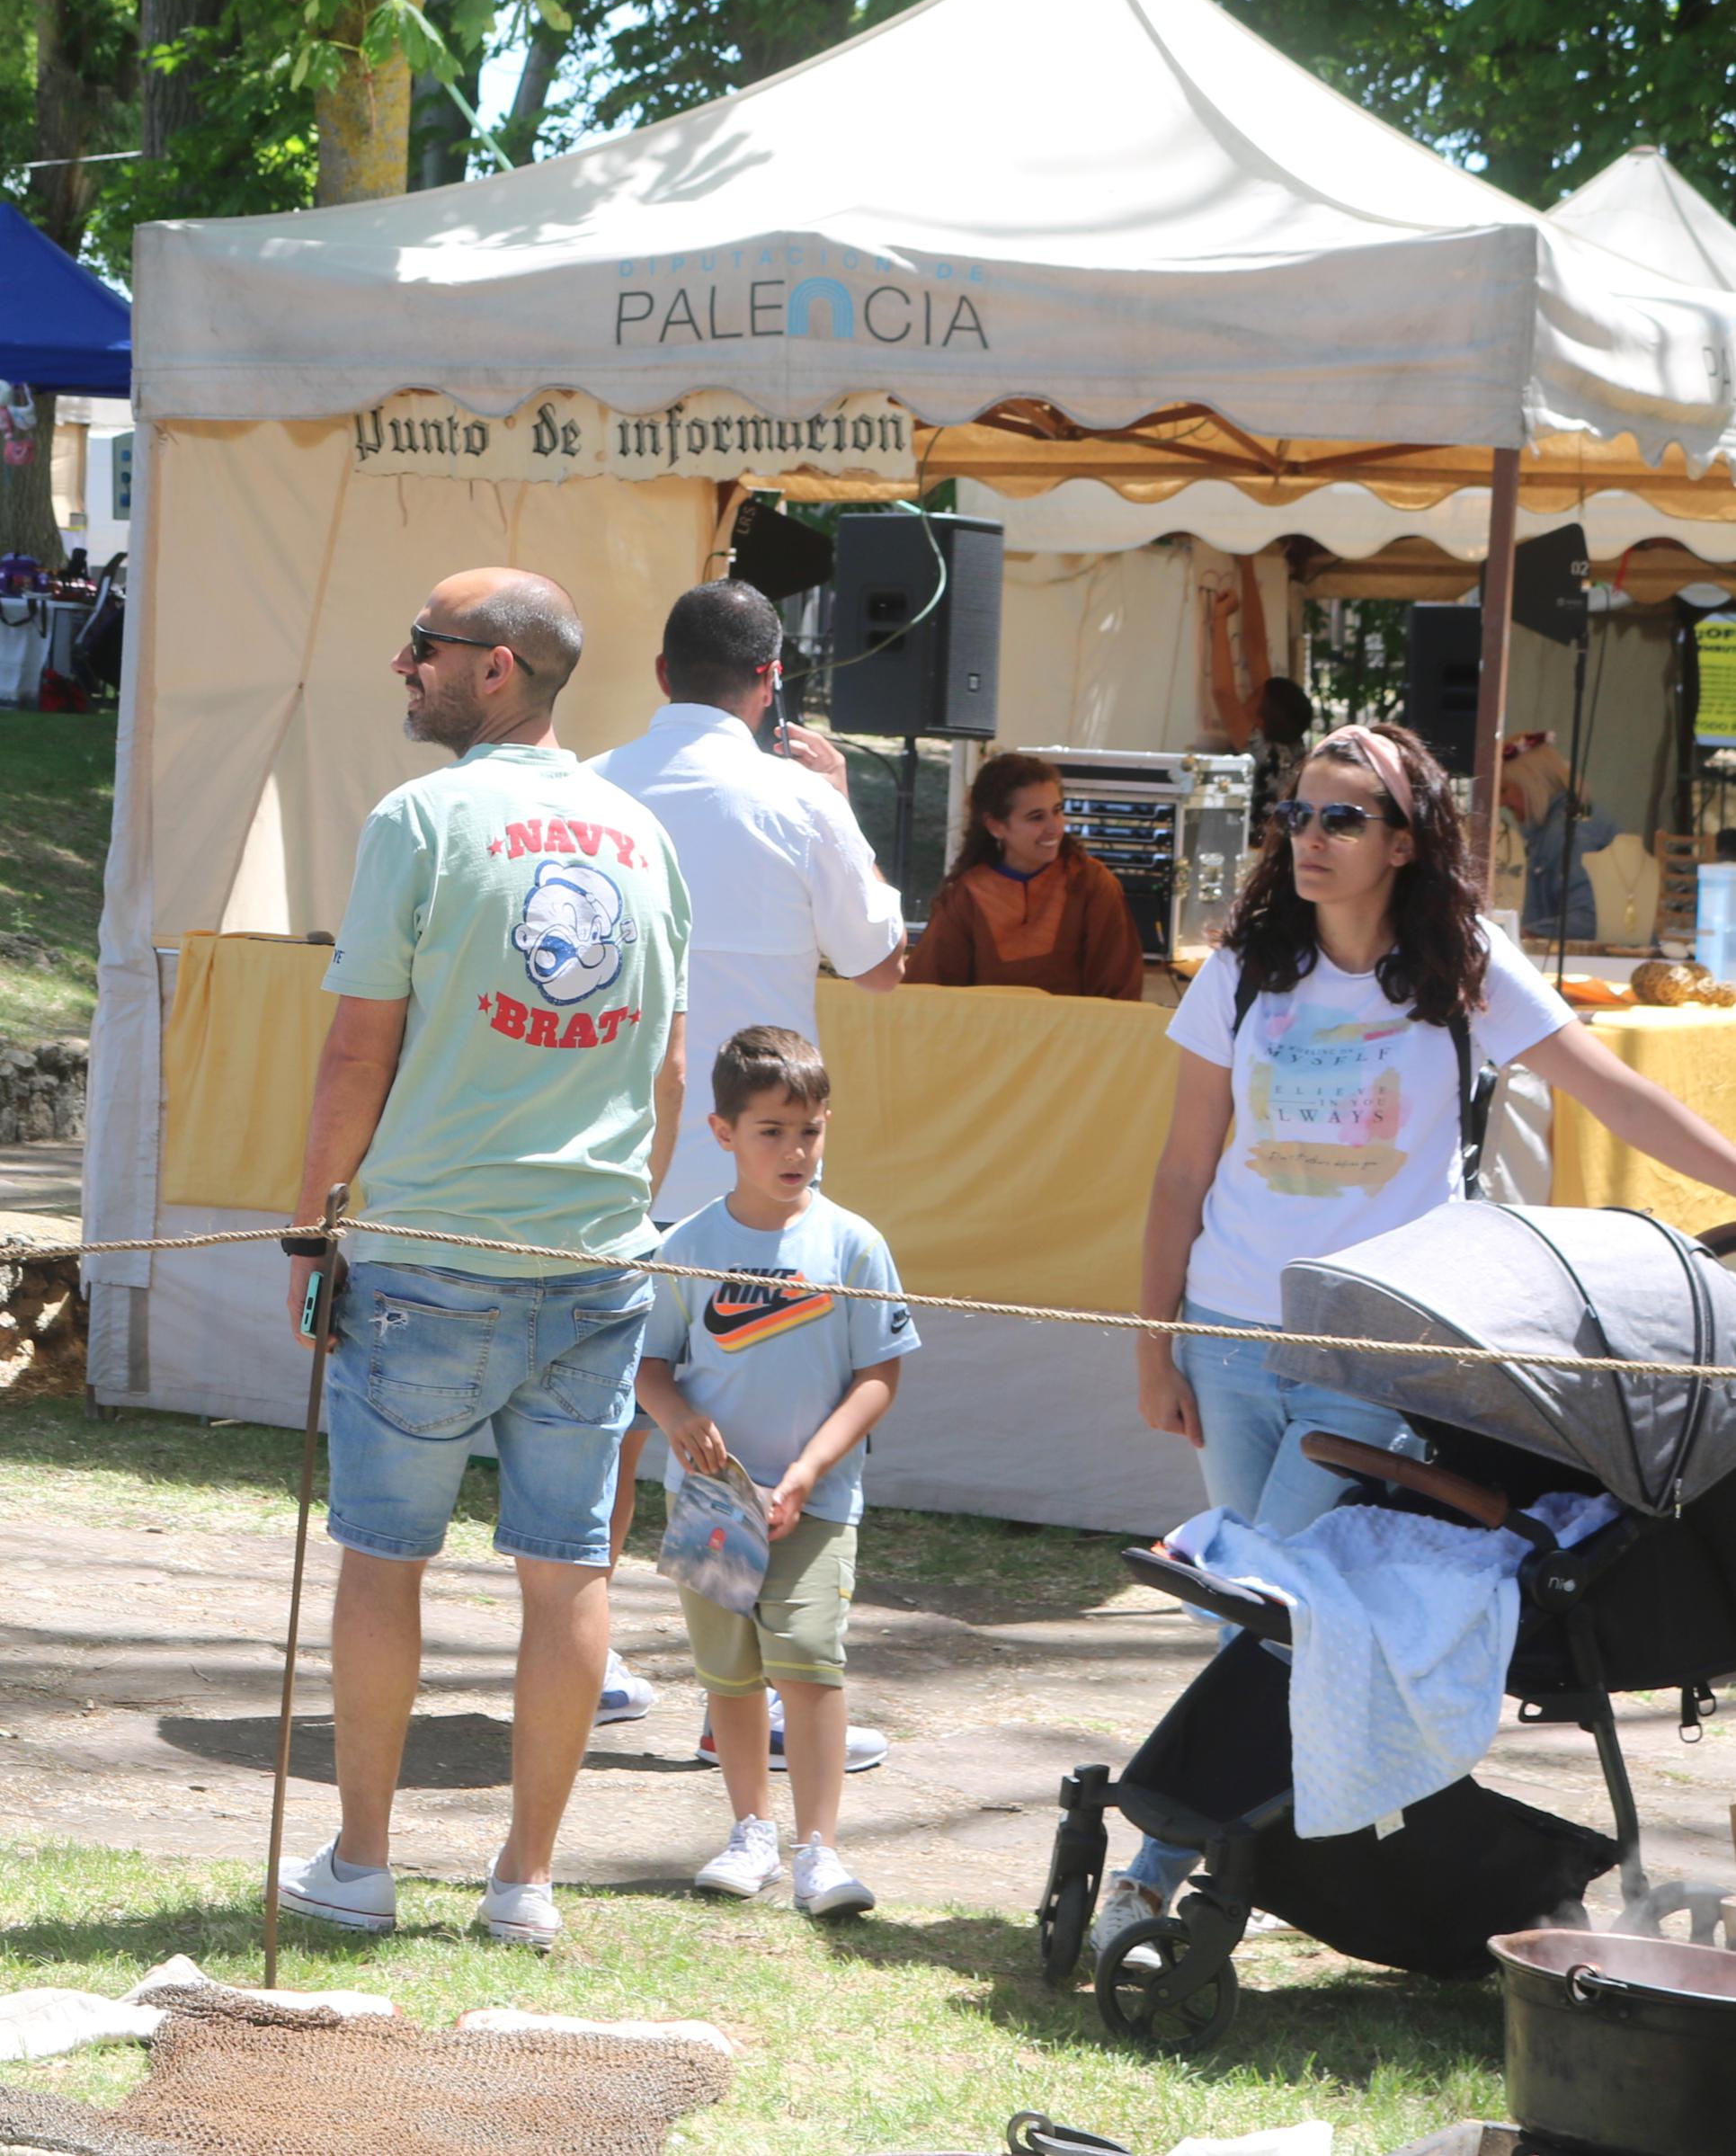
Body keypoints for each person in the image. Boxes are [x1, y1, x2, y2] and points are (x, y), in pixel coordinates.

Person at [1099, 718, 1736, 1956]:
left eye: (1340, 817)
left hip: (1381, 1346)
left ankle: (1160, 1869)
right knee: (1256, 1614)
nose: (1308, 838)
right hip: (1230, 1334)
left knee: (1281, 1600)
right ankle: (1315, 1855)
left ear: (1403, 838)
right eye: (1295, 813)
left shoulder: (1462, 965)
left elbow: (1609, 1089)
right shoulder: (1241, 966)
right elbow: (1180, 1166)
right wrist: (1151, 1340)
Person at [275, 569, 690, 1956]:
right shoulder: (643, 832)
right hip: (593, 1253)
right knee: (567, 1571)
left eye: (425, 646)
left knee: (382, 1558)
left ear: (498, 668)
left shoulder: (420, 818)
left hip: (429, 1253)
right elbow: (669, 1067)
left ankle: (361, 1860)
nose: (403, 663)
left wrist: (310, 1220)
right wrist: (620, 1210)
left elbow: (353, 1049)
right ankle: (522, 1881)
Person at [588, 579, 904, 1739]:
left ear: (662, 675)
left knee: (608, 1428)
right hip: (740, 1175)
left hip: (612, 1162)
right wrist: (836, 802)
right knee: (743, 1437)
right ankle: (749, 1699)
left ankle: (590, 1654)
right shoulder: (792, 796)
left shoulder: (586, 787)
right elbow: (877, 960)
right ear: (770, 685)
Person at [637, 1026, 911, 1922]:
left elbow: (878, 1373)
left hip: (814, 1505)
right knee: (729, 1673)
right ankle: (749, 1830)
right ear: (720, 1131)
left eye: (809, 1131)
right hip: (712, 1507)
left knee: (808, 1665)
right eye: (770, 1131)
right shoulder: (685, 1244)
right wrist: (679, 1420)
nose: (794, 1151)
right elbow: (648, 1365)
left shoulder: (854, 1245)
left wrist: (806, 1469)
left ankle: (817, 1849)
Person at [912, 751, 1144, 998]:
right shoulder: (966, 895)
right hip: (993, 1035)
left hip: (1077, 1036)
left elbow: (1120, 994)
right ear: (996, 826)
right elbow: (927, 993)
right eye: (1036, 817)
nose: (1054, 827)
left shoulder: (1091, 883)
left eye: (1057, 811)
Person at [1501, 733, 1618, 943]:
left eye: (1505, 790)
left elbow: (1588, 919)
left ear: (1532, 784)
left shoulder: (1571, 833)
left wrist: (1520, 934)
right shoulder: (1561, 828)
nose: (1501, 802)